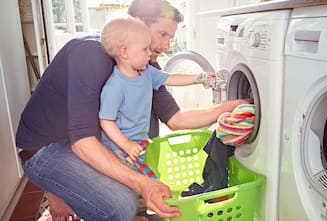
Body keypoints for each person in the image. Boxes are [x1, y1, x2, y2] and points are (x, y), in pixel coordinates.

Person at [15, 0, 248, 220]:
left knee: (144, 123)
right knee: (120, 205)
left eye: (171, 37)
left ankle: (75, 188)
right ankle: (59, 188)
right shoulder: (89, 54)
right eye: (163, 34)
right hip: (45, 147)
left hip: (85, 139)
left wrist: (229, 107)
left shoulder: (142, 62)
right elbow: (82, 142)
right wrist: (141, 184)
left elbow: (177, 119)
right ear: (136, 23)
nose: (167, 45)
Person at [99, 15, 219, 179]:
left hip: (140, 143)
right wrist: (126, 145)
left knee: (149, 181)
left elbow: (170, 78)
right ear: (124, 52)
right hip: (118, 150)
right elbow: (106, 120)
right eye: (144, 49)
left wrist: (198, 78)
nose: (150, 53)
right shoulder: (115, 87)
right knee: (132, 185)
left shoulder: (147, 72)